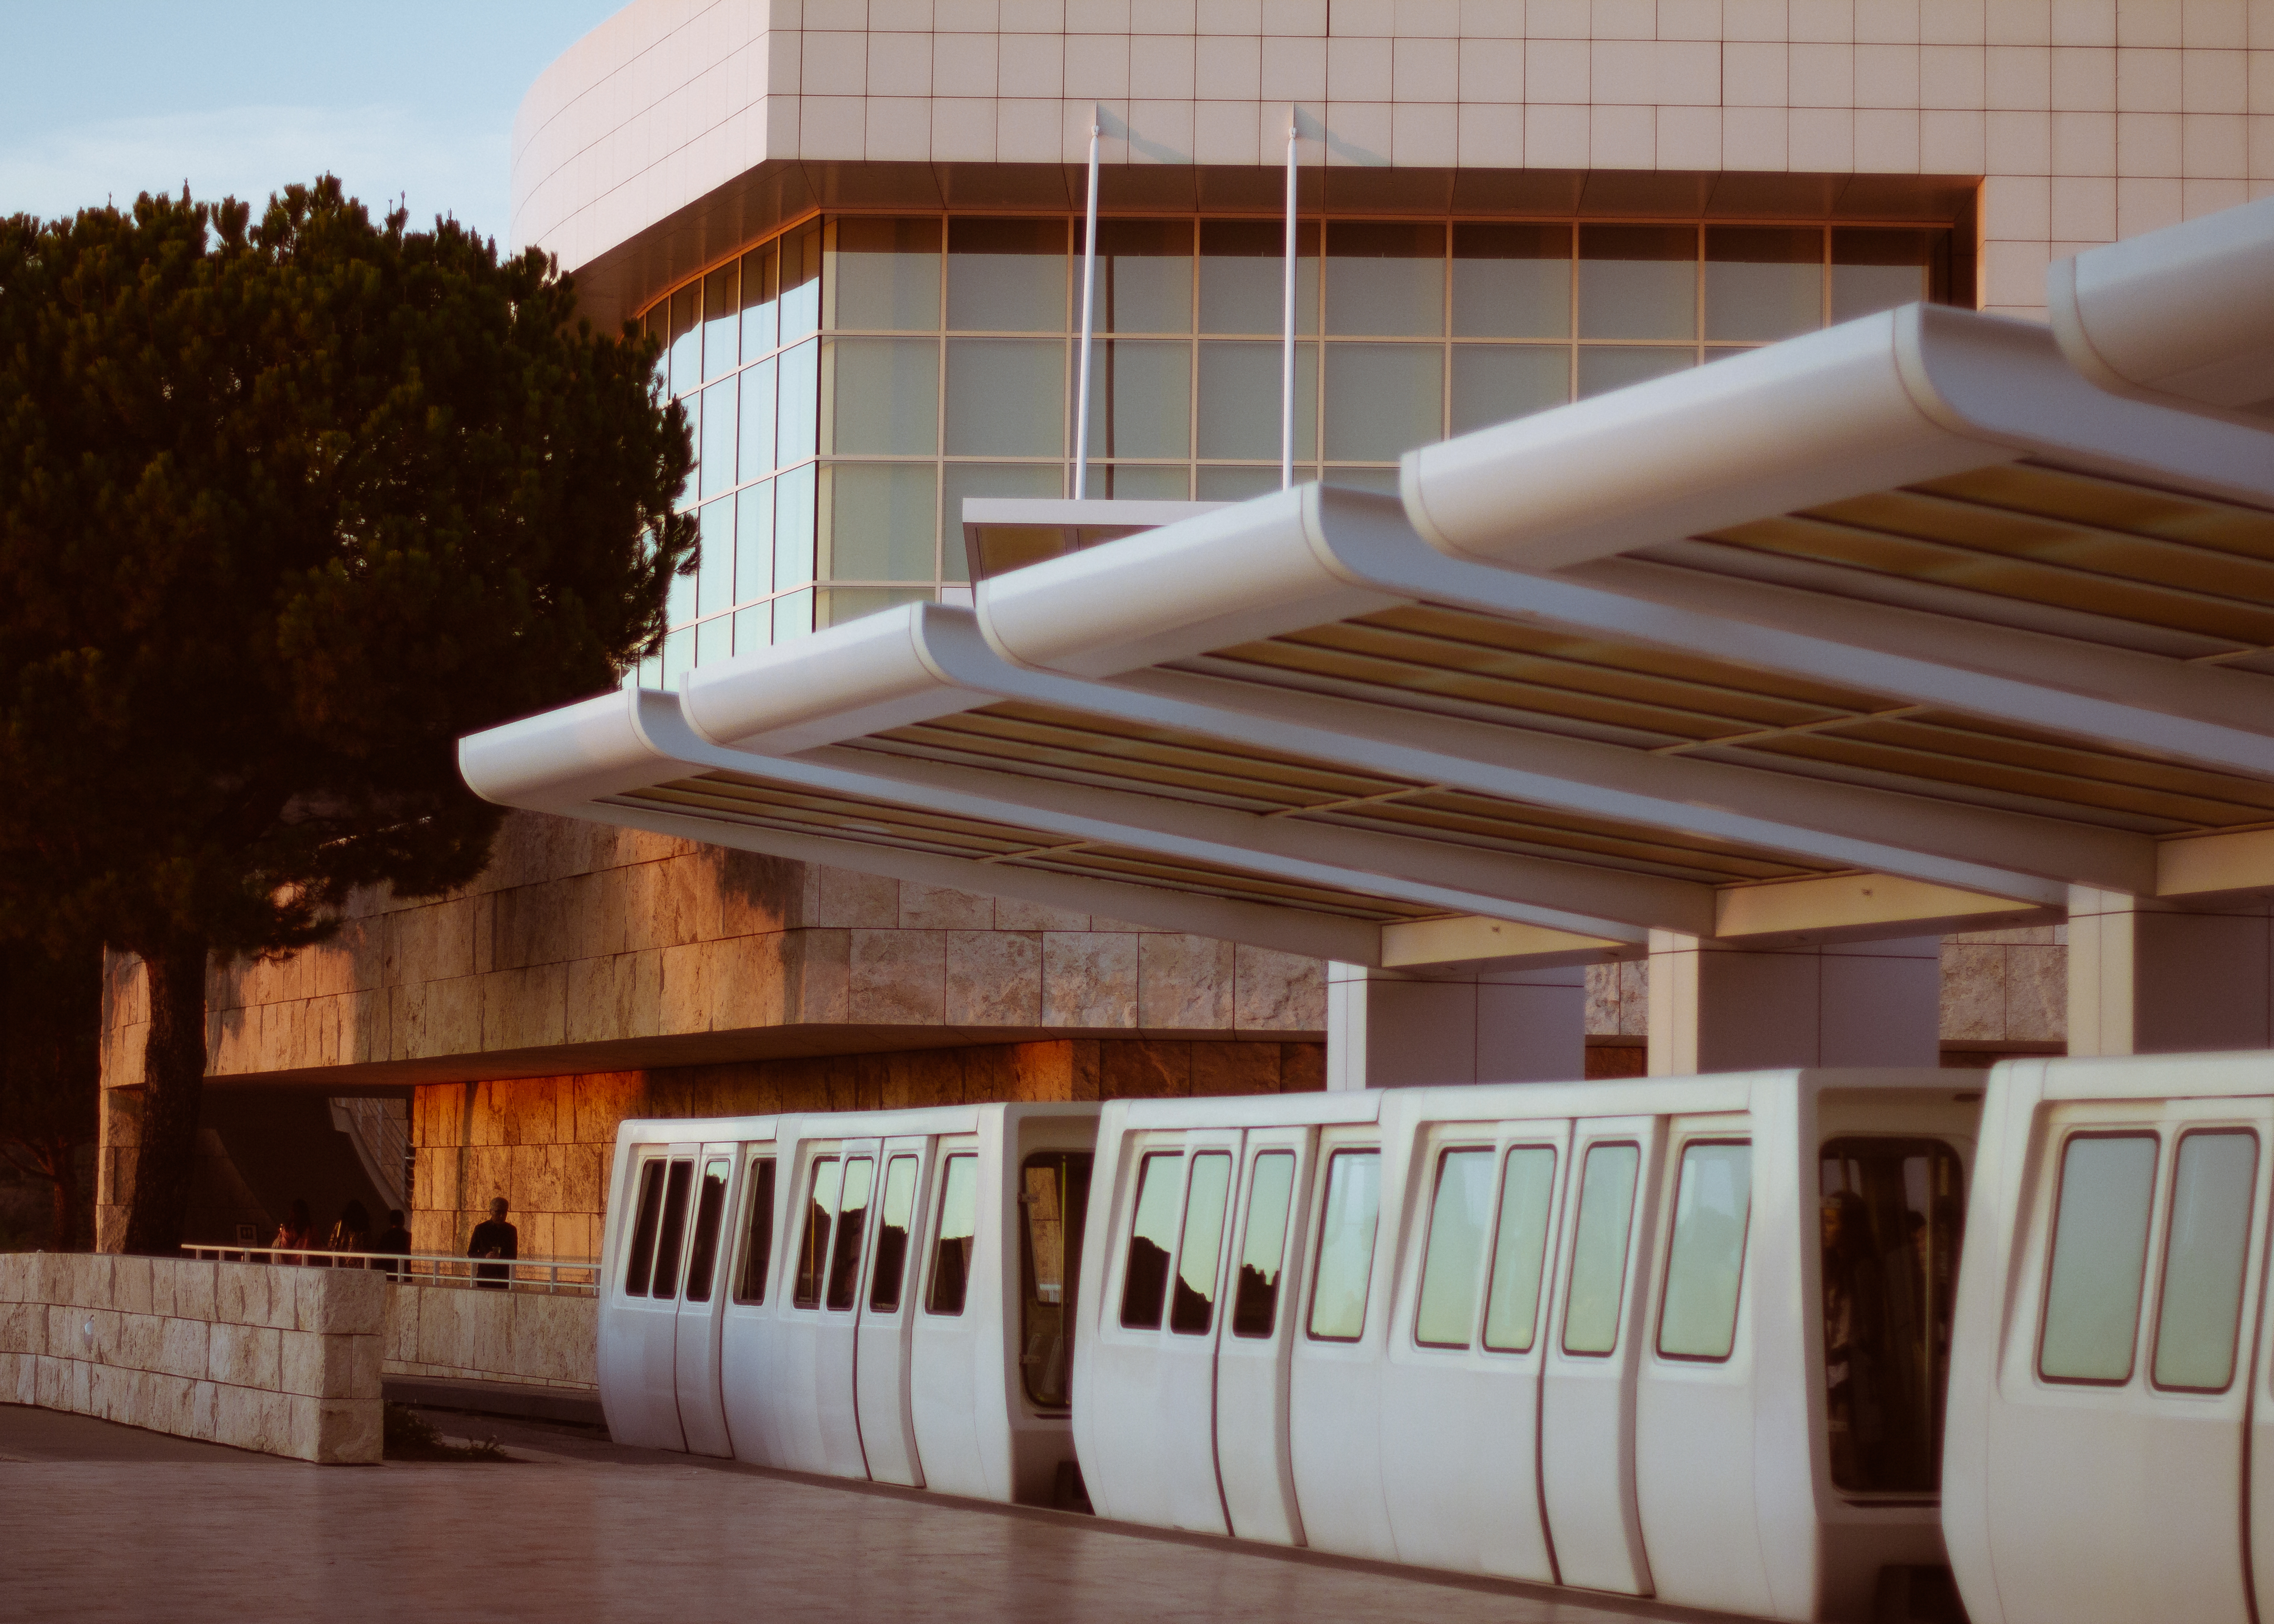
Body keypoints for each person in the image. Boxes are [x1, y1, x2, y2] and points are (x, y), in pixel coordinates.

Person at [467, 1196, 518, 1289]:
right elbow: (471, 1253)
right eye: (498, 1212)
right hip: (485, 1276)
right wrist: (485, 1256)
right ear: (491, 1212)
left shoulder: (511, 1230)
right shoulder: (481, 1229)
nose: (502, 1216)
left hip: (504, 1277)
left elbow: (513, 1256)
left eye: (505, 1212)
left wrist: (500, 1257)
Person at [271, 1197, 314, 1267]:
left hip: (292, 1266)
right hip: (309, 1265)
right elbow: (318, 1247)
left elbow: (284, 1250)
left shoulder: (288, 1229)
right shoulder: (312, 1229)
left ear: (292, 1212)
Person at [326, 1199, 371, 1266]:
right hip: (359, 1263)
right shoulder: (364, 1226)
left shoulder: (341, 1224)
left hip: (342, 1261)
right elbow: (369, 1245)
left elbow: (332, 1241)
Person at [373, 1208, 414, 1281]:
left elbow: (378, 1252)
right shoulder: (407, 1236)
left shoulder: (385, 1235)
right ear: (402, 1221)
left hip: (388, 1270)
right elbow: (408, 1253)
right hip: (403, 1271)